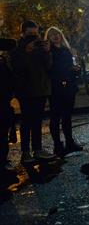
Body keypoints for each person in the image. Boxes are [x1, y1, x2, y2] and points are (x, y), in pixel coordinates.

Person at [11, 21, 57, 163]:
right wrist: (26, 52)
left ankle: (38, 149)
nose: (33, 37)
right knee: (26, 122)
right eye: (30, 34)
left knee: (37, 121)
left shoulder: (40, 47)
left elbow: (49, 66)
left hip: (41, 89)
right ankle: (25, 153)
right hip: (25, 91)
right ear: (23, 33)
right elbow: (16, 68)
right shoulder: (17, 48)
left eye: (35, 34)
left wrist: (48, 52)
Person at [45, 27, 82, 156]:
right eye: (52, 35)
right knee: (55, 117)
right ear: (48, 38)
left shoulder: (67, 50)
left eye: (58, 34)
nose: (55, 36)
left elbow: (73, 67)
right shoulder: (49, 52)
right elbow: (50, 69)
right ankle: (57, 145)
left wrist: (77, 69)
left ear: (61, 35)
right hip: (56, 88)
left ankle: (69, 142)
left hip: (69, 86)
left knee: (67, 116)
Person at [1, 38, 17, 173]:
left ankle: (3, 160)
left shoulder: (2, 60)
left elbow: (11, 43)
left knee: (2, 133)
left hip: (3, 101)